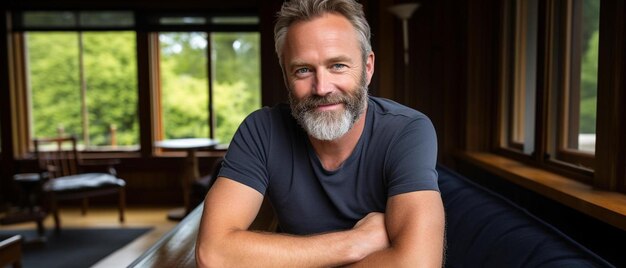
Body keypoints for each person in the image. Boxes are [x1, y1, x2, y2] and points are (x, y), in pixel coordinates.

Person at [195, 0, 445, 266]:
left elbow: (419, 263)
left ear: (368, 67)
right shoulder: (261, 130)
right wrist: (357, 242)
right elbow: (213, 254)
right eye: (303, 70)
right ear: (285, 75)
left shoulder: (406, 131)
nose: (322, 88)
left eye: (337, 65)